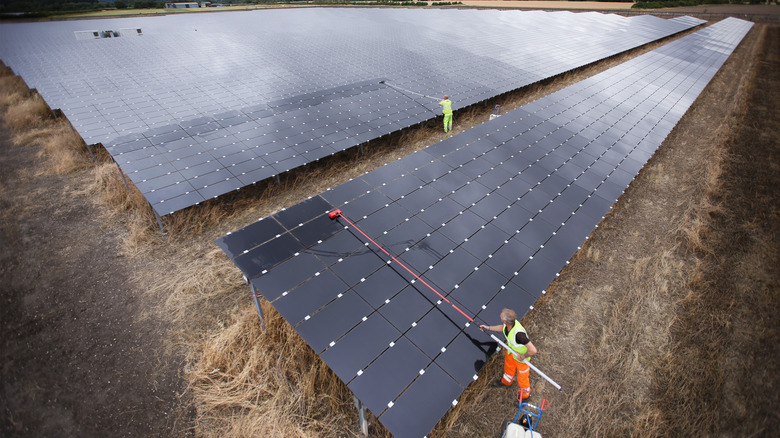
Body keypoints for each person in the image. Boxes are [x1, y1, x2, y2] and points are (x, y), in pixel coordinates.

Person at [480, 308, 537, 401]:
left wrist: (523, 356)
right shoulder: (508, 325)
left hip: (522, 359)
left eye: (501, 316)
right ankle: (506, 382)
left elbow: (533, 350)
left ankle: (525, 396)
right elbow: (502, 328)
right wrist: (489, 328)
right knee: (508, 368)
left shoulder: (519, 334)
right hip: (511, 352)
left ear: (505, 320)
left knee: (522, 378)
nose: (499, 316)